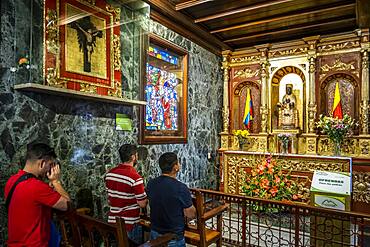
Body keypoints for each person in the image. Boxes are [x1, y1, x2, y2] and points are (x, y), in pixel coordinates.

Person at [4, 143, 71, 246]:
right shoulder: (37, 187)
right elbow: (68, 205)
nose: (50, 170)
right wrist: (55, 182)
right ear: (42, 163)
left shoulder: (11, 181)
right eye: (51, 165)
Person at [147, 152, 196, 247]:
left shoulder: (151, 183)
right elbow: (190, 214)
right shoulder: (181, 188)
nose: (179, 165)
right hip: (173, 236)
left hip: (155, 232)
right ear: (175, 167)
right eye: (178, 163)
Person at [105, 144, 148, 244]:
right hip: (129, 224)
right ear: (133, 157)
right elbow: (142, 204)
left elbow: (110, 198)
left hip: (112, 222)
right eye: (136, 155)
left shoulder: (110, 174)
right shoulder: (135, 178)